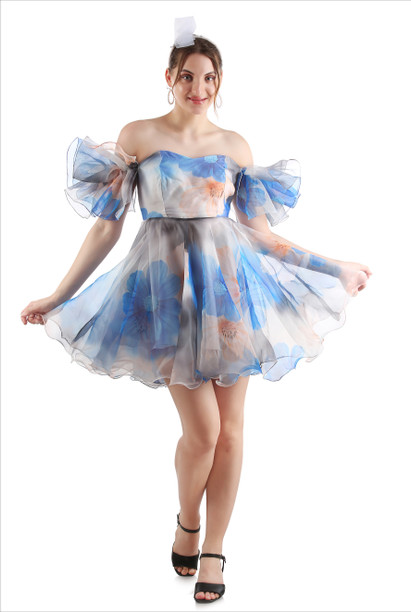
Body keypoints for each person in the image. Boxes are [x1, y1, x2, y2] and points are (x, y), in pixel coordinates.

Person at [20, 16, 372, 604]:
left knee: (230, 432)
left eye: (209, 78)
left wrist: (336, 267)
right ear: (169, 77)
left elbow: (259, 235)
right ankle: (188, 520)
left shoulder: (235, 147)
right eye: (188, 76)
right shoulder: (138, 136)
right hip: (165, 294)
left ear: (220, 82)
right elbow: (107, 229)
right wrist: (59, 294)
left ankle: (214, 547)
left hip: (230, 293)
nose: (199, 88)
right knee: (203, 430)